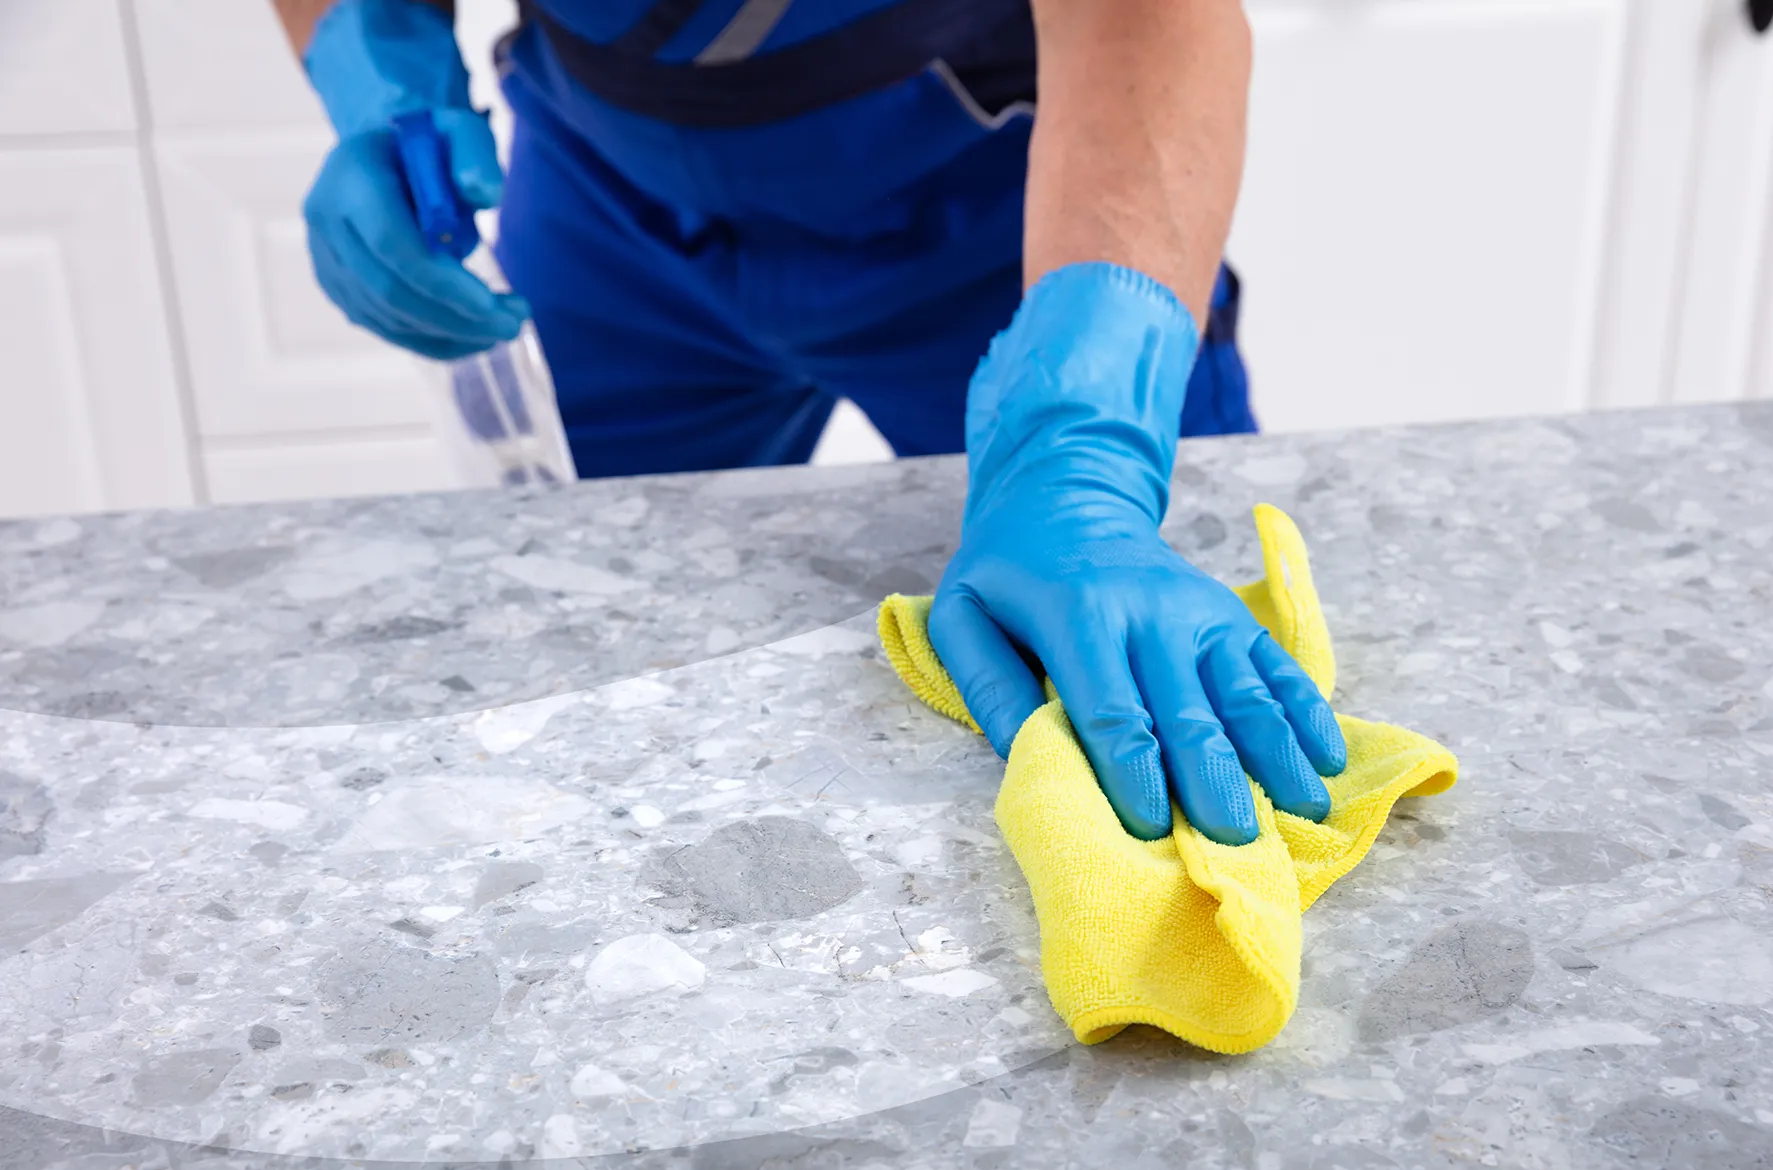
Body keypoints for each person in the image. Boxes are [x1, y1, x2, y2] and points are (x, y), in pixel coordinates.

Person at [273, 0, 1348, 847]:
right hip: (607, 193)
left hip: (1004, 200)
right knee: (571, 682)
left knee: (1162, 693)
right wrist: (377, 72)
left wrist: (1083, 448)